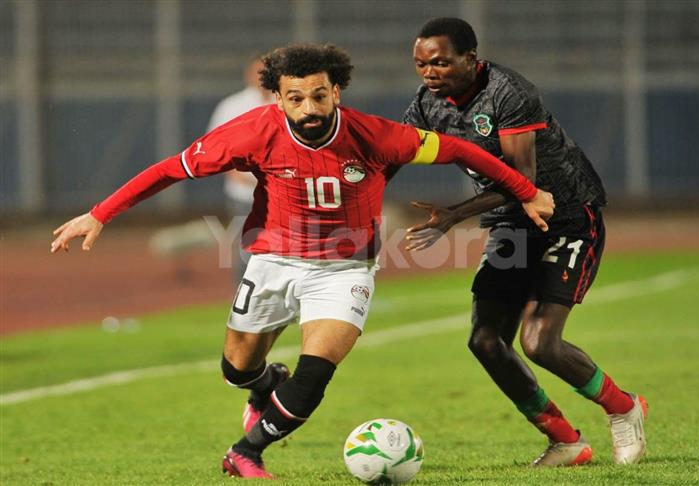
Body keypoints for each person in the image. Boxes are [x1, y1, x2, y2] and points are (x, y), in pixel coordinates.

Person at [50, 43, 554, 479]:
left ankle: (246, 452)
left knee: (315, 373)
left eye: (318, 95)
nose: (308, 107)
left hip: (345, 269)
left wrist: (527, 191)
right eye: (295, 98)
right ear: (278, 98)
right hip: (272, 260)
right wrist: (100, 214)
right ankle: (264, 385)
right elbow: (170, 170)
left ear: (337, 92)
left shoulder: (376, 135)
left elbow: (462, 151)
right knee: (236, 370)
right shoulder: (250, 132)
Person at [401, 18, 647, 467]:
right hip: (511, 225)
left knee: (539, 342)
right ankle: (565, 441)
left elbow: (523, 181)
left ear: (470, 59)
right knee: (485, 340)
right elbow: (392, 151)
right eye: (421, 64)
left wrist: (454, 214)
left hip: (566, 216)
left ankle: (623, 407)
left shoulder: (508, 93)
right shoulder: (426, 103)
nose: (429, 73)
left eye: (440, 63)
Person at [208, 57, 275, 283]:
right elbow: (215, 148)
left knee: (281, 250)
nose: (262, 78)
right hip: (244, 193)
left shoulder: (285, 103)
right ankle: (244, 296)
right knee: (247, 250)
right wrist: (236, 175)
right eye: (258, 72)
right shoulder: (232, 106)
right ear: (248, 75)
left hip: (282, 194)